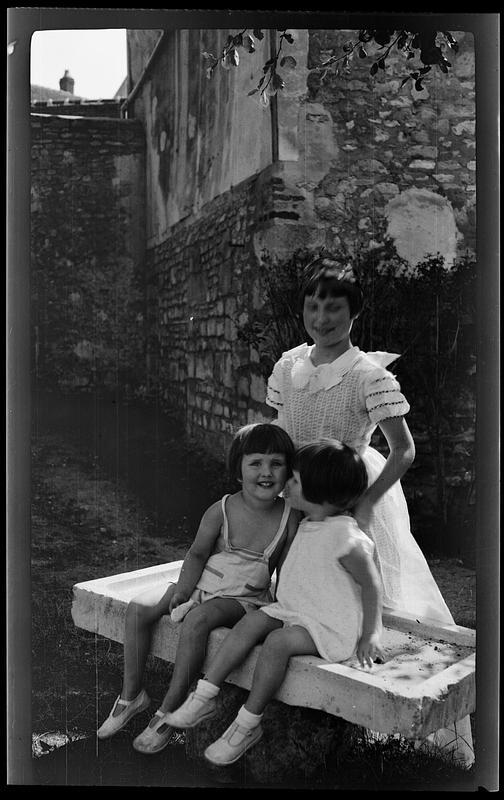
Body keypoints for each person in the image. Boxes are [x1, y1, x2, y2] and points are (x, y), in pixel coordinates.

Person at [264, 255, 474, 766]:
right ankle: (296, 694)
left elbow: (403, 449)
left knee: (359, 590)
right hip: (297, 489)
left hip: (346, 494)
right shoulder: (289, 364)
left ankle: (369, 713)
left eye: (334, 308)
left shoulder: (366, 374)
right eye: (314, 306)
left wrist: (365, 502)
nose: (322, 317)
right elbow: (280, 428)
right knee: (290, 580)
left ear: (352, 313)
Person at [164, 439, 384, 766]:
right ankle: (205, 694)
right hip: (295, 610)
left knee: (278, 643)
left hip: (326, 624)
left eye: (293, 480)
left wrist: (371, 635)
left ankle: (248, 722)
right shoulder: (308, 522)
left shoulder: (348, 537)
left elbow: (373, 587)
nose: (286, 485)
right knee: (252, 621)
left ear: (318, 490)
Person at [96, 422, 298, 754]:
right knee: (138, 608)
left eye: (276, 463)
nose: (267, 472)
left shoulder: (289, 516)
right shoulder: (221, 509)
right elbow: (198, 553)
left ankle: (169, 711)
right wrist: (182, 590)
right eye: (256, 463)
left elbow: (289, 569)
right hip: (202, 586)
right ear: (238, 468)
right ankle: (131, 696)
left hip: (243, 599)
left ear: (288, 470)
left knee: (199, 619)